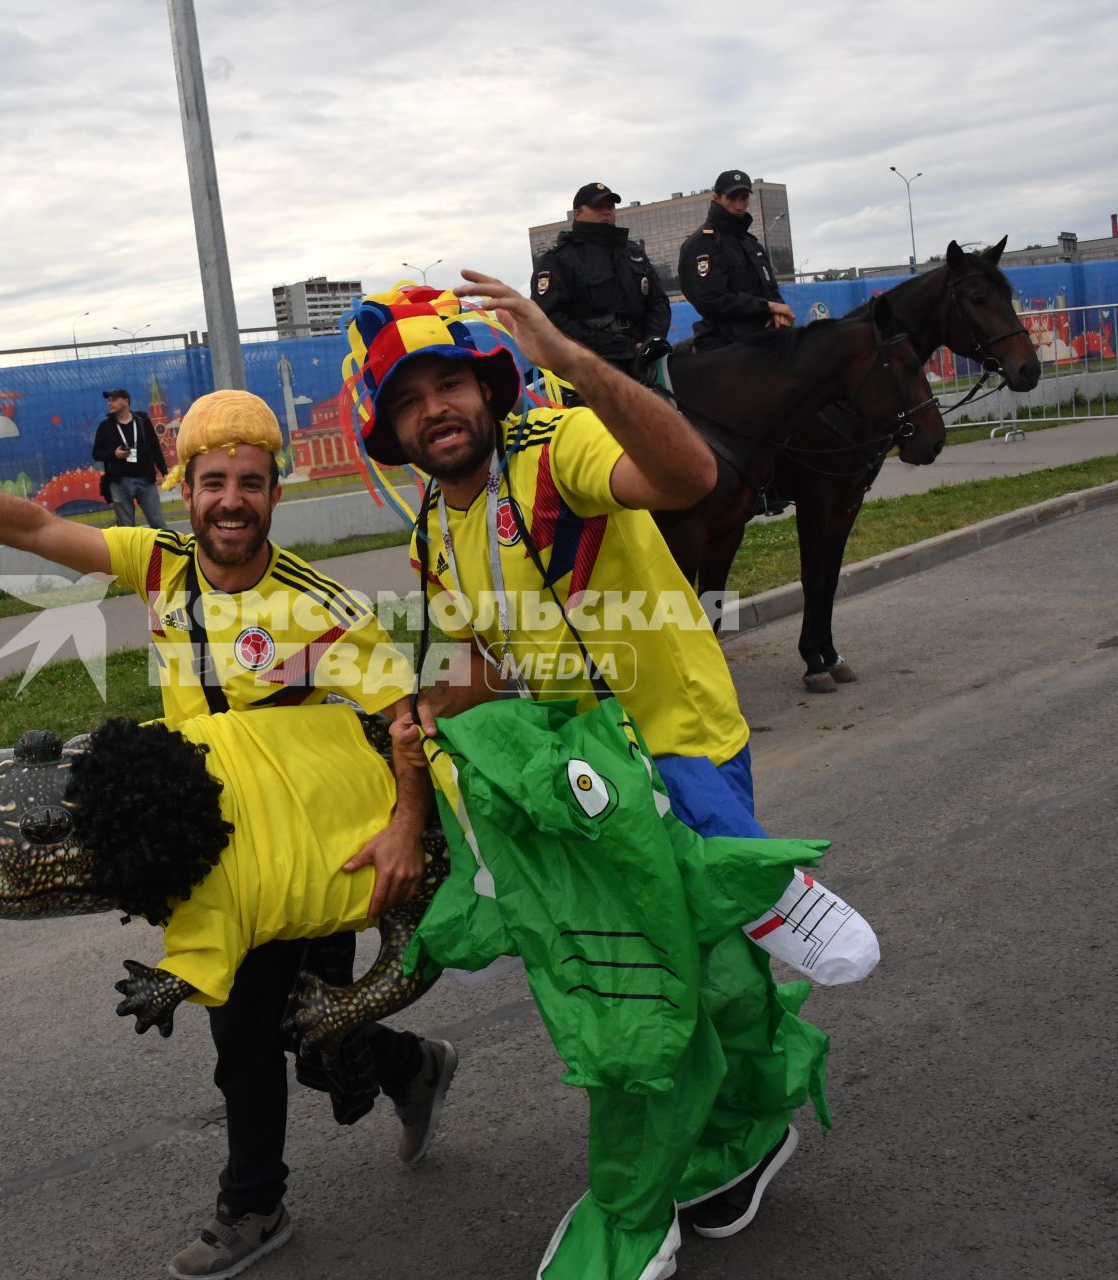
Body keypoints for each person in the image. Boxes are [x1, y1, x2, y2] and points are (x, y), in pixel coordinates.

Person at [0, 389, 452, 1280]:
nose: (230, 500)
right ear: (186, 490)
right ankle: (384, 1092)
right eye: (212, 483)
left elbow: (407, 721)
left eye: (249, 483)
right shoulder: (161, 564)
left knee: (288, 1035)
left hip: (309, 854)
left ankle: (269, 1189)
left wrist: (403, 828)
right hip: (215, 855)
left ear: (275, 495)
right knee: (263, 1032)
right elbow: (36, 528)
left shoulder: (319, 606)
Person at [344, 274, 812, 1252]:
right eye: (406, 399)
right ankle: (713, 1138)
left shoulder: (557, 447)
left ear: (487, 384)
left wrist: (573, 361)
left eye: (447, 385)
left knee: (716, 968)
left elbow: (689, 476)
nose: (433, 410)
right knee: (649, 985)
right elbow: (481, 656)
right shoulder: (436, 521)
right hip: (587, 779)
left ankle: (743, 1126)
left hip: (678, 744)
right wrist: (415, 713)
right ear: (390, 428)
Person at [529, 181, 671, 376]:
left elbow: (658, 301)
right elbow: (550, 317)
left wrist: (651, 341)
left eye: (610, 206)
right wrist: (609, 346)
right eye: (597, 207)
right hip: (592, 364)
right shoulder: (559, 258)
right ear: (577, 213)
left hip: (643, 355)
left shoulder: (632, 251)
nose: (606, 212)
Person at [677, 169, 793, 351]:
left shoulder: (751, 244)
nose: (739, 206)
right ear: (716, 198)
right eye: (732, 198)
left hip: (763, 334)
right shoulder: (703, 243)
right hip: (723, 341)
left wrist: (779, 311)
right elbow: (712, 300)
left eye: (744, 198)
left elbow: (770, 289)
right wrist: (768, 307)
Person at [92, 387, 169, 529]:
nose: (110, 403)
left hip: (145, 480)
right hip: (119, 482)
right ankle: (129, 552)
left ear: (126, 401)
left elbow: (154, 446)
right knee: (126, 528)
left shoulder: (142, 421)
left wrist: (163, 471)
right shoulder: (105, 426)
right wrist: (114, 454)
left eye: (114, 400)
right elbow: (96, 453)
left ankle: (167, 550)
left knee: (158, 523)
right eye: (109, 401)